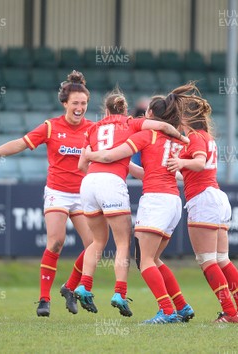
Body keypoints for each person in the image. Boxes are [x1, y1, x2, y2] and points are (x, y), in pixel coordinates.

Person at [0, 71, 95, 317]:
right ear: (65, 103)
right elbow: (20, 143)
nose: (79, 108)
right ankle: (44, 299)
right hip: (58, 191)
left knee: (93, 245)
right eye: (75, 103)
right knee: (56, 241)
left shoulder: (93, 129)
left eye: (84, 103)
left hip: (83, 193)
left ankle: (69, 287)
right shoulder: (51, 126)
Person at [83, 84, 196, 324]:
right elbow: (143, 171)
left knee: (144, 261)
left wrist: (90, 156)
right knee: (155, 259)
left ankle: (166, 310)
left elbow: (110, 155)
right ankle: (182, 306)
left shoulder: (147, 134)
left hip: (155, 200)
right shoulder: (176, 141)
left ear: (151, 116)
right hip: (174, 201)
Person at [166, 95, 238, 323]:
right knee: (222, 259)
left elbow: (198, 162)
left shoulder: (195, 137)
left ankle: (229, 311)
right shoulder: (206, 137)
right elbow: (194, 171)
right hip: (216, 197)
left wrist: (181, 162)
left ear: (186, 118)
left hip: (203, 200)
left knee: (207, 261)